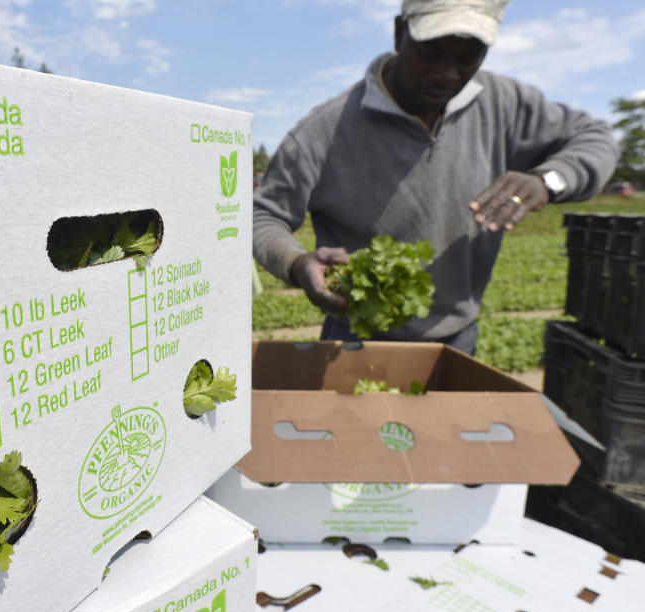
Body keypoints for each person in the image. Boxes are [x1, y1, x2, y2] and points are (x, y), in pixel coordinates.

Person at [252, 0, 619, 354]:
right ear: (400, 33)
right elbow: (263, 216)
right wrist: (298, 265)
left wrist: (548, 180)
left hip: (457, 339)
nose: (447, 74)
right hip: (352, 341)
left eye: (468, 57)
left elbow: (597, 137)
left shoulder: (503, 103)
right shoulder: (324, 131)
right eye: (430, 53)